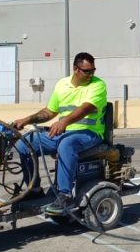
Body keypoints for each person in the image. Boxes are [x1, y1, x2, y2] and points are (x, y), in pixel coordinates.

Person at [13, 52, 107, 215]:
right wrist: (26, 120)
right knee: (24, 144)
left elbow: (86, 108)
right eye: (87, 71)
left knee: (66, 145)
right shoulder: (62, 84)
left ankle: (65, 195)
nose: (91, 74)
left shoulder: (98, 85)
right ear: (76, 69)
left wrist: (64, 122)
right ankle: (34, 189)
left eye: (93, 70)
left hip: (90, 134)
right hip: (65, 132)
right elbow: (50, 111)